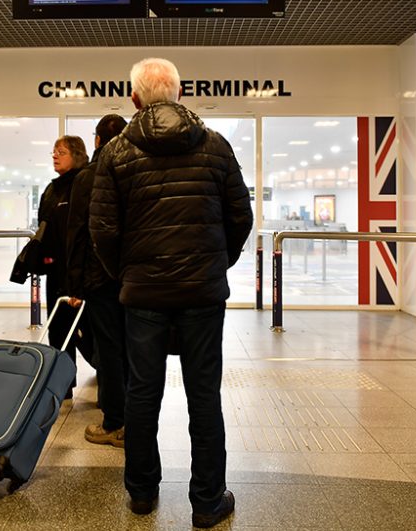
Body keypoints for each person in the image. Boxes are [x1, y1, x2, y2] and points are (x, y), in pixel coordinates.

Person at [90, 58, 253, 529]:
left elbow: (102, 229)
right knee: (204, 393)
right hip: (202, 294)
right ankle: (207, 501)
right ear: (179, 95)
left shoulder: (117, 152)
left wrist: (127, 274)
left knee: (142, 392)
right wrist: (215, 264)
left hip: (143, 295)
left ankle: (141, 494)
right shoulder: (216, 146)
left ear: (135, 99)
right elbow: (240, 217)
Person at [65, 113, 128, 448]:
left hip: (99, 278)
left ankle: (114, 421)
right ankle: (136, 422)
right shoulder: (138, 169)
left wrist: (74, 285)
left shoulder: (87, 177)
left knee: (109, 349)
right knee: (134, 348)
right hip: (132, 279)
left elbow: (77, 235)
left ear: (98, 141)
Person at [37, 134, 90, 398]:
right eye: (54, 152)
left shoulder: (85, 185)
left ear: (77, 155)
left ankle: (107, 375)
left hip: (81, 270)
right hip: (56, 270)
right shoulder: (51, 189)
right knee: (57, 330)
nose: (55, 156)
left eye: (61, 151)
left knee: (87, 331)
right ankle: (63, 384)